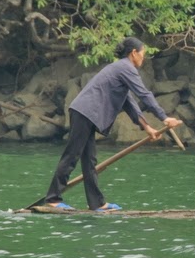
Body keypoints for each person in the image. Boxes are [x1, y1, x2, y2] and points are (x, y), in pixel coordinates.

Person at [43, 37, 183, 211]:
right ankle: (53, 198)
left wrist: (147, 127)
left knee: (90, 161)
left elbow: (129, 102)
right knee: (72, 155)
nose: (143, 58)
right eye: (142, 54)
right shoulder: (126, 68)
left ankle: (97, 203)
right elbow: (144, 94)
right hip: (84, 112)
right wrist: (164, 117)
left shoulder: (121, 69)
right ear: (133, 53)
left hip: (86, 114)